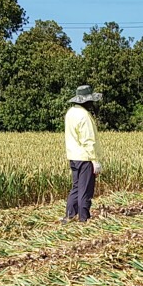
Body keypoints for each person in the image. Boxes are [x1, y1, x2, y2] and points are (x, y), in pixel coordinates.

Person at [64, 84, 102, 222]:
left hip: (73, 156)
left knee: (76, 187)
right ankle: (83, 219)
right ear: (86, 101)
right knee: (85, 189)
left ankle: (69, 215)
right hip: (85, 157)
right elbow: (88, 140)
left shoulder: (70, 112)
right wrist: (95, 160)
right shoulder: (84, 116)